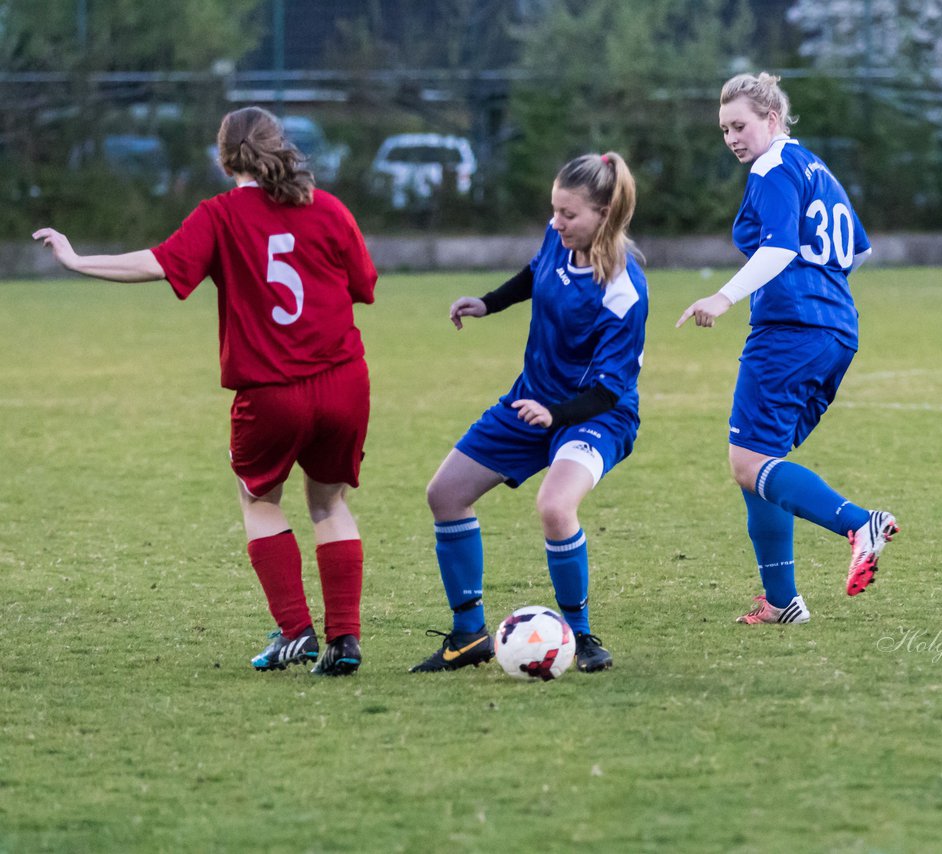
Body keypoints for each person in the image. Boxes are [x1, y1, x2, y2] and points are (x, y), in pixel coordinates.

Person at [32, 106, 377, 675]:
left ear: (224, 160)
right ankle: (346, 639)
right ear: (278, 147)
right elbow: (363, 286)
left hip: (271, 391)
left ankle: (296, 631)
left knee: (259, 498)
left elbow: (158, 264)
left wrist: (76, 259)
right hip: (344, 381)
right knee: (330, 501)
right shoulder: (328, 207)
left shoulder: (219, 215)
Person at [411, 151, 647, 675]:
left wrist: (556, 413)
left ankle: (581, 637)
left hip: (595, 418)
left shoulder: (624, 290)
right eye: (554, 211)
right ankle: (469, 634)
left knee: (555, 506)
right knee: (445, 495)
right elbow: (535, 273)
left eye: (569, 214)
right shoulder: (557, 239)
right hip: (532, 399)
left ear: (603, 214)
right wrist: (488, 303)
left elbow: (610, 390)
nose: (556, 222)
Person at [676, 72, 899, 625]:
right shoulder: (815, 166)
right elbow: (859, 251)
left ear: (771, 119)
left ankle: (858, 523)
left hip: (789, 331)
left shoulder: (771, 167)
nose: (731, 136)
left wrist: (726, 297)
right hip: (836, 330)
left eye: (739, 124)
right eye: (724, 128)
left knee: (749, 460)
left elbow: (778, 248)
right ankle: (781, 602)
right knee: (759, 459)